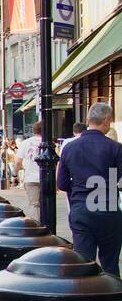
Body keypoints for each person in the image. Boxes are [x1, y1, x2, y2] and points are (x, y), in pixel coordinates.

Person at [56, 100, 122, 277]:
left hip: (81, 208)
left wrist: (79, 189)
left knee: (83, 262)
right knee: (110, 263)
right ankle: (112, 299)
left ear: (88, 119)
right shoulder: (115, 148)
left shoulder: (69, 147)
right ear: (107, 120)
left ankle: (84, 297)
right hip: (107, 207)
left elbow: (62, 183)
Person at [14, 123, 43, 220]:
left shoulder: (25, 143)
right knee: (46, 203)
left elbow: (18, 162)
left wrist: (14, 175)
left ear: (33, 130)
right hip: (45, 177)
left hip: (30, 178)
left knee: (34, 204)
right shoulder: (48, 142)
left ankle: (37, 226)